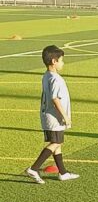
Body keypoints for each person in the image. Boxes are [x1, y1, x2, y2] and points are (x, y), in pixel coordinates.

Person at [25, 45, 79, 184]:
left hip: (47, 115)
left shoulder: (46, 75)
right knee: (56, 142)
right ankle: (34, 168)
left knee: (57, 144)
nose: (63, 63)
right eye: (61, 60)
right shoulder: (55, 79)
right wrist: (65, 116)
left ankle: (63, 172)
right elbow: (55, 99)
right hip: (54, 116)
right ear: (54, 61)